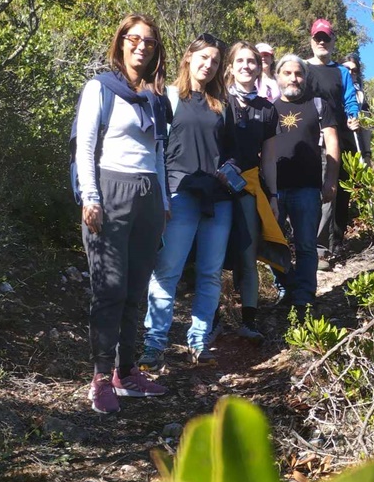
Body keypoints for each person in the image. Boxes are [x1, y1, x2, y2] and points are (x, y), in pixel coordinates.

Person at [75, 12, 170, 415]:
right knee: (110, 288)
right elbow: (85, 146)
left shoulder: (155, 98)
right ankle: (99, 377)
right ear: (121, 42)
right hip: (110, 190)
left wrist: (164, 203)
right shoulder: (100, 87)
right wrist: (90, 197)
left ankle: (126, 372)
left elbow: (159, 153)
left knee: (136, 289)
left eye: (149, 41)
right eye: (134, 39)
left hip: (149, 194)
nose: (141, 46)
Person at [141, 33, 233, 368]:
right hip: (179, 194)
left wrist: (230, 167)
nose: (208, 65)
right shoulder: (167, 98)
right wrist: (162, 197)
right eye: (203, 58)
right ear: (189, 57)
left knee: (210, 273)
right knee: (168, 271)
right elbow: (156, 150)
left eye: (214, 61)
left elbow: (233, 149)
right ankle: (154, 344)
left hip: (217, 199)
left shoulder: (221, 104)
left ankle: (199, 340)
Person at [221, 41, 286, 342]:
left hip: (249, 187)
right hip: (215, 188)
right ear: (231, 67)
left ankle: (248, 320)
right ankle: (209, 321)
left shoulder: (267, 109)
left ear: (260, 68)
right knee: (211, 254)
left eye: (253, 62)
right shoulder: (218, 100)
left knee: (247, 256)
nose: (247, 66)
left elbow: (269, 158)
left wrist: (272, 196)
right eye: (241, 61)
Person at [273, 54, 340, 315]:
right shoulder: (269, 108)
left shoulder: (318, 105)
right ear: (277, 77)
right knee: (274, 243)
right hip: (275, 189)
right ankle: (285, 287)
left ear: (305, 77)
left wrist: (330, 180)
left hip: (307, 188)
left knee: (306, 244)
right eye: (287, 73)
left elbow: (333, 143)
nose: (293, 78)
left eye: (298, 73)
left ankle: (304, 296)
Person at [306, 18, 360, 268]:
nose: (322, 42)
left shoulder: (341, 72)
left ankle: (324, 247)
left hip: (333, 137)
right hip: (305, 136)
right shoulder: (303, 68)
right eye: (318, 37)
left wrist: (354, 117)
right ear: (311, 40)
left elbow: (350, 100)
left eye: (326, 38)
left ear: (333, 41)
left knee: (332, 190)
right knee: (306, 190)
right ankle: (304, 243)